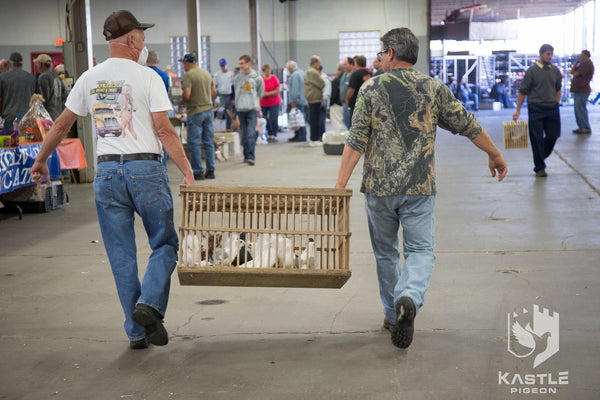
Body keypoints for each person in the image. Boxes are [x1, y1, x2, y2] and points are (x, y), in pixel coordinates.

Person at [30, 10, 194, 350]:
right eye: (142, 37)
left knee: (121, 256)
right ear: (132, 40)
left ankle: (136, 333)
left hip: (106, 174)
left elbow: (60, 126)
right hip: (146, 170)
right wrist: (188, 171)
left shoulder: (88, 78)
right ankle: (148, 305)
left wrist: (41, 160)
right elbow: (163, 129)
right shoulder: (148, 77)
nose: (144, 42)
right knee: (164, 243)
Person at [334, 27, 507, 349]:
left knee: (386, 253)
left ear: (390, 53)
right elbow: (467, 123)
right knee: (420, 250)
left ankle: (391, 313)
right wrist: (494, 153)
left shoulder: (370, 89)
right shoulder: (433, 88)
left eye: (380, 53)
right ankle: (409, 296)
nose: (378, 58)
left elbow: (356, 139)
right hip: (418, 187)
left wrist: (340, 185)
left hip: (379, 189)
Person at [513, 44, 562, 177]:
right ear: (540, 54)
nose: (550, 56)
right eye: (547, 54)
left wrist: (557, 103)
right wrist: (518, 110)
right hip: (536, 108)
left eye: (551, 54)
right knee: (537, 139)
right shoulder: (532, 72)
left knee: (553, 136)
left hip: (552, 108)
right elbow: (523, 92)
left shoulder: (555, 71)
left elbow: (558, 89)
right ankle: (540, 167)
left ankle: (540, 156)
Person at [180, 52, 217, 179]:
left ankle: (197, 172)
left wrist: (182, 101)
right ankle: (211, 170)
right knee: (208, 142)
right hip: (208, 111)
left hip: (195, 112)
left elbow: (187, 95)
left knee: (194, 143)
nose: (183, 66)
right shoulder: (206, 73)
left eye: (184, 64)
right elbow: (213, 91)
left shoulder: (188, 75)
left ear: (187, 63)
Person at [234, 54, 264, 165]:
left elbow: (260, 92)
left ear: (248, 63)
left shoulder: (257, 77)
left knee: (251, 133)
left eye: (242, 63)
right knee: (244, 134)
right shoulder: (238, 77)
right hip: (241, 109)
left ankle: (251, 156)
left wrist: (256, 102)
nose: (240, 65)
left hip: (252, 108)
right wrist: (236, 107)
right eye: (239, 63)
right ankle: (246, 155)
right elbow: (236, 92)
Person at [0, 52, 36, 130]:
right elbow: (38, 99)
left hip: (9, 119)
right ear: (22, 64)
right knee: (27, 142)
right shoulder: (32, 78)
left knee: (11, 142)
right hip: (28, 120)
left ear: (10, 64)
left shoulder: (2, 77)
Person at [33, 54, 68, 121]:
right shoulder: (56, 76)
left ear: (40, 64)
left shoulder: (43, 77)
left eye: (37, 64)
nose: (36, 66)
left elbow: (45, 97)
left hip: (49, 115)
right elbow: (65, 95)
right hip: (58, 113)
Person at [570, 50, 594, 134]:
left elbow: (576, 74)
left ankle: (585, 127)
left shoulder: (587, 65)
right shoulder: (582, 64)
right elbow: (572, 72)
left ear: (586, 56)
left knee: (581, 109)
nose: (580, 56)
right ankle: (581, 126)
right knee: (577, 109)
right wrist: (576, 62)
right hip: (578, 90)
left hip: (582, 90)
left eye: (581, 55)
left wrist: (575, 71)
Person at [304, 55, 325, 146]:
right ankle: (314, 139)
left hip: (312, 98)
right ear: (314, 63)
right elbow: (322, 84)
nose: (319, 65)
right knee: (315, 119)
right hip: (315, 98)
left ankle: (314, 138)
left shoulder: (309, 71)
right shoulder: (313, 72)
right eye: (319, 63)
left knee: (314, 119)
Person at [345, 55, 371, 124]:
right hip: (367, 103)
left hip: (356, 103)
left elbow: (351, 89)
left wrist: (347, 99)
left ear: (356, 63)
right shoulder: (369, 74)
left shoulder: (355, 74)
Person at [285, 60, 307, 142]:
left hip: (297, 100)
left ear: (289, 68)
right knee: (300, 117)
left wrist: (293, 101)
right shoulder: (302, 72)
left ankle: (301, 135)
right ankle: (299, 134)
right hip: (302, 98)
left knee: (297, 118)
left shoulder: (294, 75)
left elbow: (294, 89)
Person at [259, 64, 282, 142]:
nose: (268, 73)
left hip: (274, 101)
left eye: (269, 71)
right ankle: (269, 133)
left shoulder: (274, 78)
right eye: (266, 71)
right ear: (263, 72)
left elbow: (278, 90)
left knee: (273, 118)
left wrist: (268, 94)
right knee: (264, 118)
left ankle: (274, 135)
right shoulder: (260, 79)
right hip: (263, 102)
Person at [214, 58, 235, 129]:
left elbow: (233, 87)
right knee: (220, 112)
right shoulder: (217, 75)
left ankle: (228, 128)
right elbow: (215, 86)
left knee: (228, 113)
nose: (223, 68)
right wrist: (217, 96)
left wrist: (233, 98)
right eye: (221, 66)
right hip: (221, 96)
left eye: (224, 66)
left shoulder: (231, 74)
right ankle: (220, 128)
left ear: (226, 65)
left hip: (228, 95)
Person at [340, 57, 355, 129]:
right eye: (343, 65)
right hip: (344, 103)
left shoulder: (354, 75)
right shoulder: (344, 74)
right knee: (346, 121)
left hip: (350, 103)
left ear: (351, 64)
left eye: (345, 64)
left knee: (350, 122)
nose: (344, 66)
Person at [329, 64, 345, 131]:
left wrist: (330, 103)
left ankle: (338, 138)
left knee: (336, 122)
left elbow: (334, 93)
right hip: (344, 104)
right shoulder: (346, 79)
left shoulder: (336, 80)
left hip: (336, 104)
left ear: (340, 71)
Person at [319, 64, 331, 139]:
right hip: (317, 102)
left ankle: (321, 137)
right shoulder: (317, 78)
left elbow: (326, 93)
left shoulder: (324, 78)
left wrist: (324, 103)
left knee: (321, 121)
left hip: (322, 103)